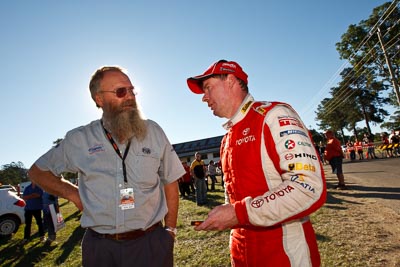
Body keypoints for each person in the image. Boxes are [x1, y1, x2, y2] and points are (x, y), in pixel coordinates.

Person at [28, 66, 185, 267]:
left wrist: (170, 231)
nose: (130, 96)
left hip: (150, 243)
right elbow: (37, 172)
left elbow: (171, 181)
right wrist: (74, 195)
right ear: (99, 99)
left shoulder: (153, 131)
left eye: (132, 90)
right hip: (101, 249)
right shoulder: (80, 139)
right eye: (121, 91)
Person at [186, 60, 326, 266]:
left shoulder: (274, 115)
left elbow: (307, 187)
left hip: (282, 253)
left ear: (231, 81)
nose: (204, 98)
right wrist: (226, 215)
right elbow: (234, 199)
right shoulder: (227, 138)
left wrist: (237, 213)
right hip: (242, 252)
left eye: (208, 88)